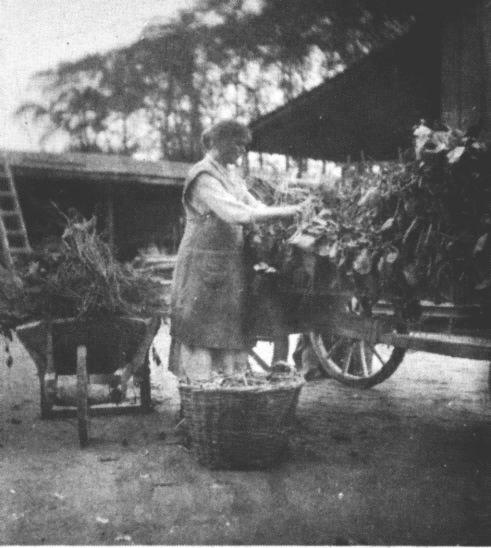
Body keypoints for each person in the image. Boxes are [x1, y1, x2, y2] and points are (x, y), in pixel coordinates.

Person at [169, 120, 300, 382]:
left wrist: (289, 213)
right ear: (219, 143)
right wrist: (287, 212)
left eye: (244, 144)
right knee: (200, 330)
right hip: (201, 266)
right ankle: (199, 391)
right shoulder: (203, 176)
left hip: (228, 265)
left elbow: (255, 205)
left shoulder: (230, 176)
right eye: (237, 143)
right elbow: (236, 213)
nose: (242, 149)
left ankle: (226, 391)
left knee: (228, 329)